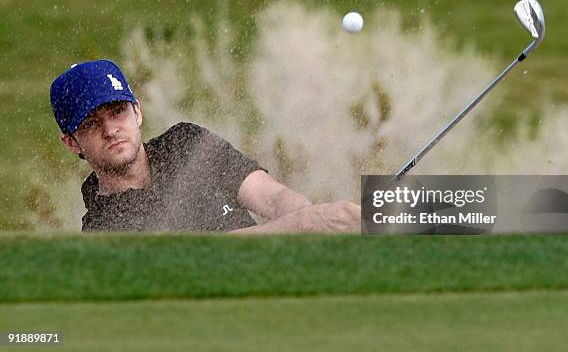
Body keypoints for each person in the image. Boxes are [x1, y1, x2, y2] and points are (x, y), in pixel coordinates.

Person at [50, 59, 361, 233]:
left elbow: (272, 195)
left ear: (137, 112)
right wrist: (304, 226)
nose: (110, 130)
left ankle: (409, 218)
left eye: (118, 112)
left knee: (384, 210)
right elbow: (207, 260)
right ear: (70, 142)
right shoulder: (105, 228)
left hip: (289, 280)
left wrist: (309, 220)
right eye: (91, 124)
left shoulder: (186, 143)